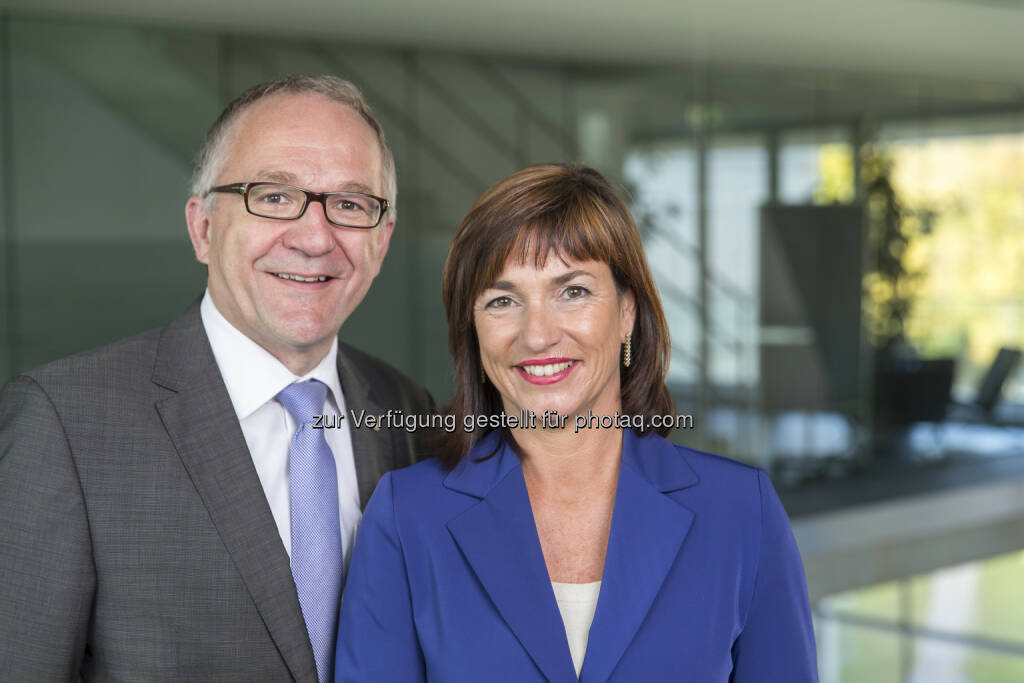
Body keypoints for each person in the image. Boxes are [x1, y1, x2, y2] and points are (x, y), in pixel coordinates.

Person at [0, 75, 434, 682]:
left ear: (381, 243)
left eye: (350, 204)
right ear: (202, 227)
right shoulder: (65, 424)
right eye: (273, 196)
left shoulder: (408, 412)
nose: (314, 238)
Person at [335, 163, 818, 682]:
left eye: (573, 291)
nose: (538, 334)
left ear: (628, 311)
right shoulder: (407, 517)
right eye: (503, 300)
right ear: (473, 334)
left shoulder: (742, 512)